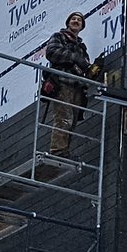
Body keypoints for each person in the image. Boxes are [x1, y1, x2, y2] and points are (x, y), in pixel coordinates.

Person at [42, 11, 96, 159]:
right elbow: (51, 52)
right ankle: (58, 151)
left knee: (71, 122)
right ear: (68, 22)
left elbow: (84, 68)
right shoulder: (59, 37)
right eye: (73, 19)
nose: (76, 21)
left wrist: (91, 70)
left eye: (79, 20)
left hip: (77, 87)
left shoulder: (82, 47)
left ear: (82, 26)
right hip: (62, 83)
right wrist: (74, 58)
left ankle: (64, 151)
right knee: (63, 118)